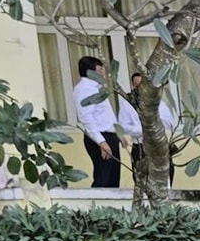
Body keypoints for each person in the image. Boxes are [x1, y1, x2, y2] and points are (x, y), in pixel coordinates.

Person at [120, 72, 179, 187]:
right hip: (140, 145)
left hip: (159, 145)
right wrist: (143, 129)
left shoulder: (159, 103)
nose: (139, 88)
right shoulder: (127, 104)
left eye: (142, 85)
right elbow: (123, 126)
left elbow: (170, 122)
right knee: (141, 180)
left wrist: (154, 122)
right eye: (136, 85)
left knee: (166, 176)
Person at [71, 56, 122, 188]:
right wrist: (101, 142)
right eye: (100, 69)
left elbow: (105, 116)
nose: (103, 72)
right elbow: (86, 118)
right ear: (90, 72)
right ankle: (97, 207)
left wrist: (119, 134)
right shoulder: (85, 89)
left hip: (109, 136)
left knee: (113, 178)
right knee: (103, 178)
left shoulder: (97, 88)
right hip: (100, 137)